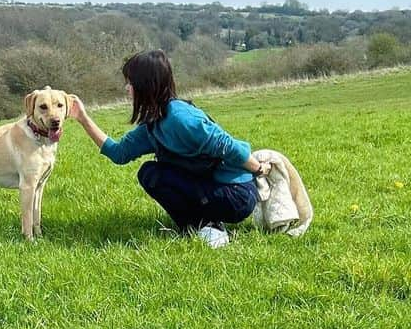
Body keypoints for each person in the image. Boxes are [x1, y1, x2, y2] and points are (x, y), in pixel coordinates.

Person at [69, 49, 269, 248]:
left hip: (236, 196)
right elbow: (118, 153)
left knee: (157, 175)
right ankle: (200, 226)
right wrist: (83, 118)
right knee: (150, 173)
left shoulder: (180, 118)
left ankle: (210, 227)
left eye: (130, 82)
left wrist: (259, 169)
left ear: (145, 84)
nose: (127, 88)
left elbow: (230, 147)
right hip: (213, 187)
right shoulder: (153, 124)